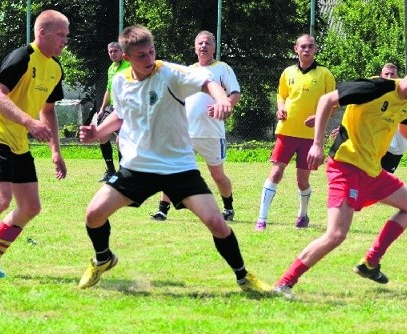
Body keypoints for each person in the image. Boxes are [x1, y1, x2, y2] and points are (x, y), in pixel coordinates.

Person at [77, 25, 270, 293]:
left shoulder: (169, 72)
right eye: (141, 55)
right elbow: (120, 116)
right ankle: (103, 259)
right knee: (93, 214)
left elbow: (207, 82)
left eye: (151, 52)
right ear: (127, 56)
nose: (149, 59)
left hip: (178, 167)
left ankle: (243, 276)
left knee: (216, 222)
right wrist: (97, 132)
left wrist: (222, 99)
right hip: (137, 167)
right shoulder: (121, 81)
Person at [273, 59, 407, 299]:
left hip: (372, 172)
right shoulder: (375, 88)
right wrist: (317, 144)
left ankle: (371, 262)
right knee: (336, 234)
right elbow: (327, 100)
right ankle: (284, 283)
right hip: (345, 167)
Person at [0, 10, 69, 279]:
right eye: (60, 35)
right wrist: (28, 122)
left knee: (30, 207)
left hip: (18, 141)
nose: (65, 41)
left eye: (67, 35)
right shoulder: (23, 57)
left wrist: (55, 150)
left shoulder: (55, 69)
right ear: (41, 32)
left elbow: (48, 111)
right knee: (0, 200)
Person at [150, 31, 240, 222]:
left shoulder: (222, 69)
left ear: (214, 47)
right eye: (200, 43)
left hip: (211, 133)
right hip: (185, 131)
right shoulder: (188, 70)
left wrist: (222, 105)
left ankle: (228, 208)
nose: (203, 46)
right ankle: (162, 210)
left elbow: (235, 94)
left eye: (207, 43)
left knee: (217, 175)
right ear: (195, 47)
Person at [255, 34, 336, 231]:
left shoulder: (325, 74)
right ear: (296, 49)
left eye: (310, 46)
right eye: (303, 46)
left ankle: (302, 214)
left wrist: (319, 118)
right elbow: (281, 95)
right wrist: (280, 107)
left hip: (310, 136)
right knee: (275, 172)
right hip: (286, 131)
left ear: (316, 49)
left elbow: (333, 103)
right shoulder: (288, 72)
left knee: (302, 180)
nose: (306, 50)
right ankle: (261, 219)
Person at [96, 42, 130, 182]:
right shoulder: (111, 68)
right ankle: (111, 171)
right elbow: (109, 90)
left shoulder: (129, 64)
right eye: (110, 51)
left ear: (122, 52)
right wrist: (102, 108)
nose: (112, 53)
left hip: (127, 108)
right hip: (113, 108)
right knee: (102, 135)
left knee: (120, 140)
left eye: (115, 51)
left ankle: (123, 173)